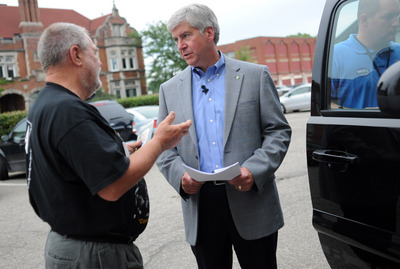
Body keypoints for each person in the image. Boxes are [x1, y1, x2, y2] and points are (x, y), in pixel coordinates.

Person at [25, 22, 191, 269]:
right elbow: (113, 187)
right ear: (76, 54)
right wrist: (158, 142)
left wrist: (119, 152)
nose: (100, 62)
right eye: (94, 52)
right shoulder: (68, 111)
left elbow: (74, 168)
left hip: (76, 247)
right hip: (94, 255)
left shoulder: (45, 105)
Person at [156, 4, 291, 269]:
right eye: (176, 39)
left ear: (208, 33)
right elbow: (162, 147)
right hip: (201, 204)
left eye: (185, 35)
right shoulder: (169, 89)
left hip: (250, 197)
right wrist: (179, 178)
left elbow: (278, 131)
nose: (180, 45)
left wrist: (254, 170)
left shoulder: (255, 76)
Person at [331, 0, 400, 108]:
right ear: (365, 20)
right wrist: (360, 117)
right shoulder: (336, 56)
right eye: (388, 16)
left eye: (397, 16)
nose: (396, 23)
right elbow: (324, 104)